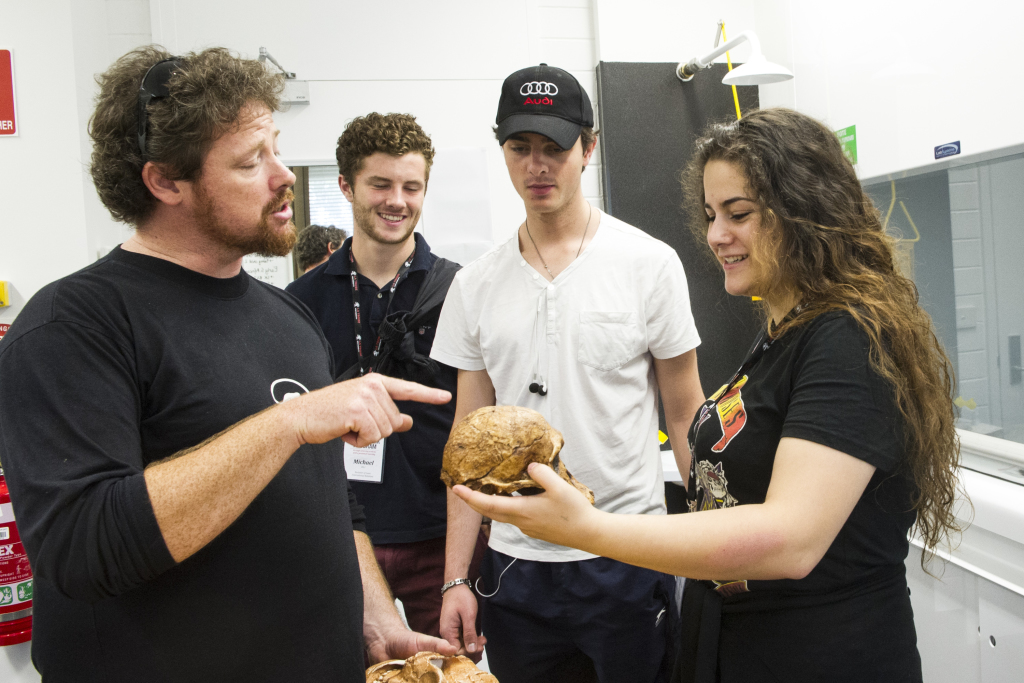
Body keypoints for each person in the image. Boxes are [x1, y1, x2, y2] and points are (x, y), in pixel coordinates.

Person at [453, 108, 963, 683]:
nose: (716, 235)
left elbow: (792, 539)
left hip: (820, 650)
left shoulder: (848, 338)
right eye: (711, 214)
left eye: (739, 214)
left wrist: (588, 529)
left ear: (806, 210)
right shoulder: (783, 332)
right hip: (744, 638)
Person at [0, 47, 456, 682]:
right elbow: (83, 549)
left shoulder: (284, 315)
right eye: (250, 162)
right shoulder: (73, 324)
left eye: (275, 148)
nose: (283, 175)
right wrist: (287, 423)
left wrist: (375, 618)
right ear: (164, 182)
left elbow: (334, 502)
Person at [430, 64, 707, 683]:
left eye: (555, 148)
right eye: (520, 148)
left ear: (590, 147)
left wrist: (713, 539)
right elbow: (466, 443)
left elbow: (687, 414)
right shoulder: (474, 286)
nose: (538, 165)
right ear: (502, 149)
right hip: (515, 565)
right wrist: (456, 577)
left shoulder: (648, 264)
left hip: (626, 550)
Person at [286, 113, 486, 639]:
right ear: (347, 187)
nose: (397, 200)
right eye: (380, 184)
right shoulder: (297, 304)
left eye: (411, 186)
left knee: (448, 673)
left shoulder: (463, 293)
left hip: (440, 539)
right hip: (340, 537)